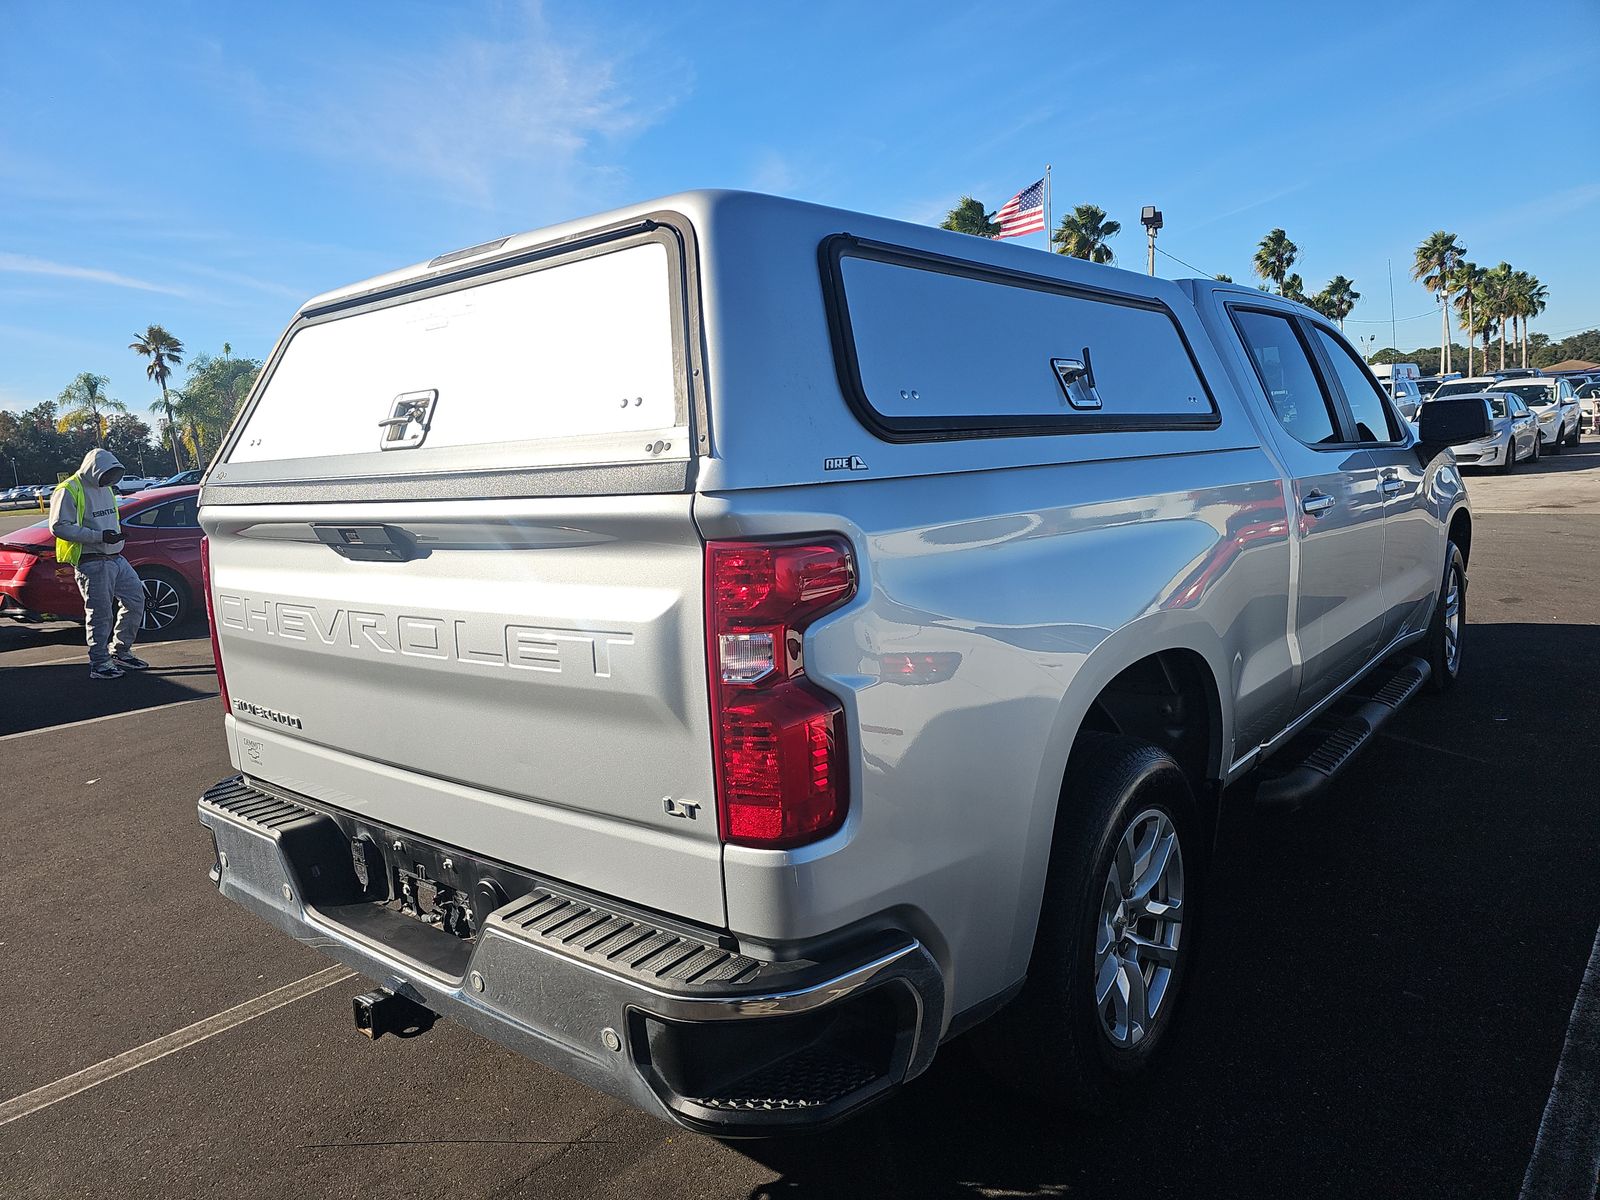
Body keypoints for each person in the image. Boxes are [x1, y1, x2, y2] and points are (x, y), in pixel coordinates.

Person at [49, 448, 148, 680]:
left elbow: (106, 519)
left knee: (135, 600)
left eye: (114, 475)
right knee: (100, 614)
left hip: (115, 556)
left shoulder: (105, 488)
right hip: (91, 560)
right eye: (107, 475)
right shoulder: (69, 489)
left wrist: (115, 536)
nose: (110, 480)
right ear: (94, 470)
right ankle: (100, 662)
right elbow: (59, 526)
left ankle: (120, 651)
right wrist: (99, 536)